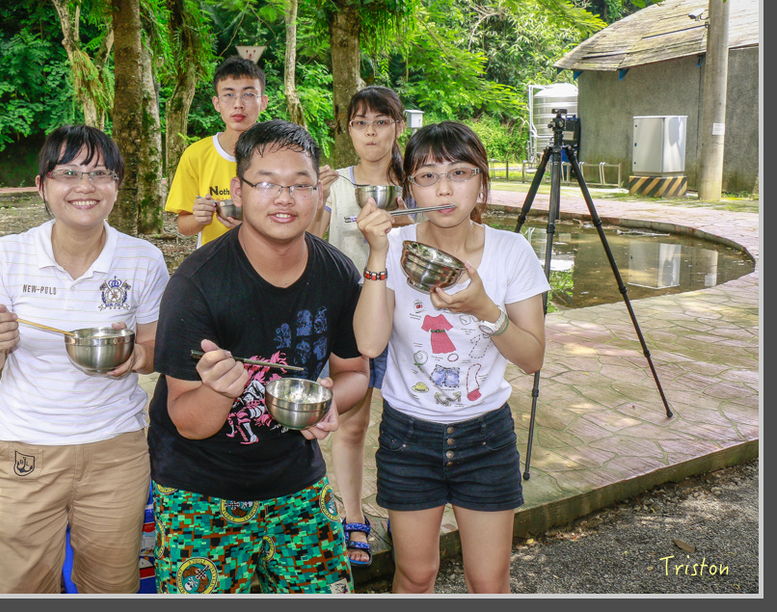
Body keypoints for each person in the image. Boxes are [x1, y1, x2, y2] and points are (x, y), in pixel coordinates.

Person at [148, 119, 370, 594]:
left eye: (300, 184)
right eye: (266, 183)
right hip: (199, 490)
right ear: (238, 191)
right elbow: (187, 420)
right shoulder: (196, 284)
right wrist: (218, 390)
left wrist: (329, 403)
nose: (284, 198)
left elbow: (355, 371)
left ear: (319, 193)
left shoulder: (337, 273)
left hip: (297, 480)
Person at [0, 125, 169, 594]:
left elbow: (157, 350)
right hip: (25, 450)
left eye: (100, 173)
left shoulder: (143, 259)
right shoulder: (11, 253)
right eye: (69, 173)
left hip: (115, 451)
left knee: (111, 585)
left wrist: (135, 355)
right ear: (42, 186)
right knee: (19, 587)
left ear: (117, 184)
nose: (85, 186)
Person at [353, 121, 550, 594]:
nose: (443, 189)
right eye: (427, 176)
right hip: (408, 437)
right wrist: (377, 255)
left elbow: (533, 358)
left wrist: (485, 309)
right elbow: (370, 345)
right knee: (415, 574)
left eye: (459, 172)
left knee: (489, 580)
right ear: (409, 189)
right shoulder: (395, 247)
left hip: (486, 437)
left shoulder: (511, 251)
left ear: (481, 182)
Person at [307, 85, 410, 567]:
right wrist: (318, 198)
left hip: (405, 317)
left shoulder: (415, 183)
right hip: (347, 316)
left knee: (407, 417)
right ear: (348, 130)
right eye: (360, 123)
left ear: (398, 127)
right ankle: (352, 515)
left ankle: (408, 512)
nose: (371, 133)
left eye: (381, 122)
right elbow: (308, 244)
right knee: (352, 424)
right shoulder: (336, 183)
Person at [164, 55, 269, 248]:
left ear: (263, 102)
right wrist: (199, 217)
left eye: (248, 94)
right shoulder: (196, 155)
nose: (238, 104)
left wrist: (251, 228)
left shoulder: (276, 155)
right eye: (229, 95)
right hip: (213, 259)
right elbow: (184, 226)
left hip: (266, 258)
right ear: (216, 103)